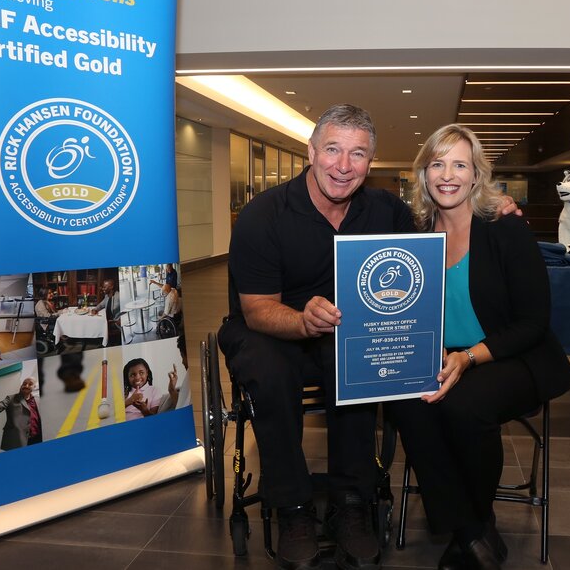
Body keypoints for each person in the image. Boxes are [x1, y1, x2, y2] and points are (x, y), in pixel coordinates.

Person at [221, 105, 519, 570]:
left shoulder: (384, 209)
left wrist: (490, 208)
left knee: (362, 357)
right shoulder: (265, 215)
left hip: (343, 330)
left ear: (370, 161)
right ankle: (294, 508)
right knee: (269, 370)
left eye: (357, 154)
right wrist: (301, 320)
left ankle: (351, 500)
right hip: (271, 329)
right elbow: (256, 309)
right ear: (311, 152)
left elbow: (437, 230)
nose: (343, 165)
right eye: (333, 150)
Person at [387, 124, 570, 570]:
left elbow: (533, 322)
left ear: (476, 175)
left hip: (511, 354)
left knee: (463, 405)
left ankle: (471, 527)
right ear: (423, 174)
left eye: (459, 164)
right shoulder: (415, 232)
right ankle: (472, 529)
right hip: (442, 352)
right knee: (406, 401)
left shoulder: (504, 228)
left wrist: (469, 357)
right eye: (437, 164)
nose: (447, 175)